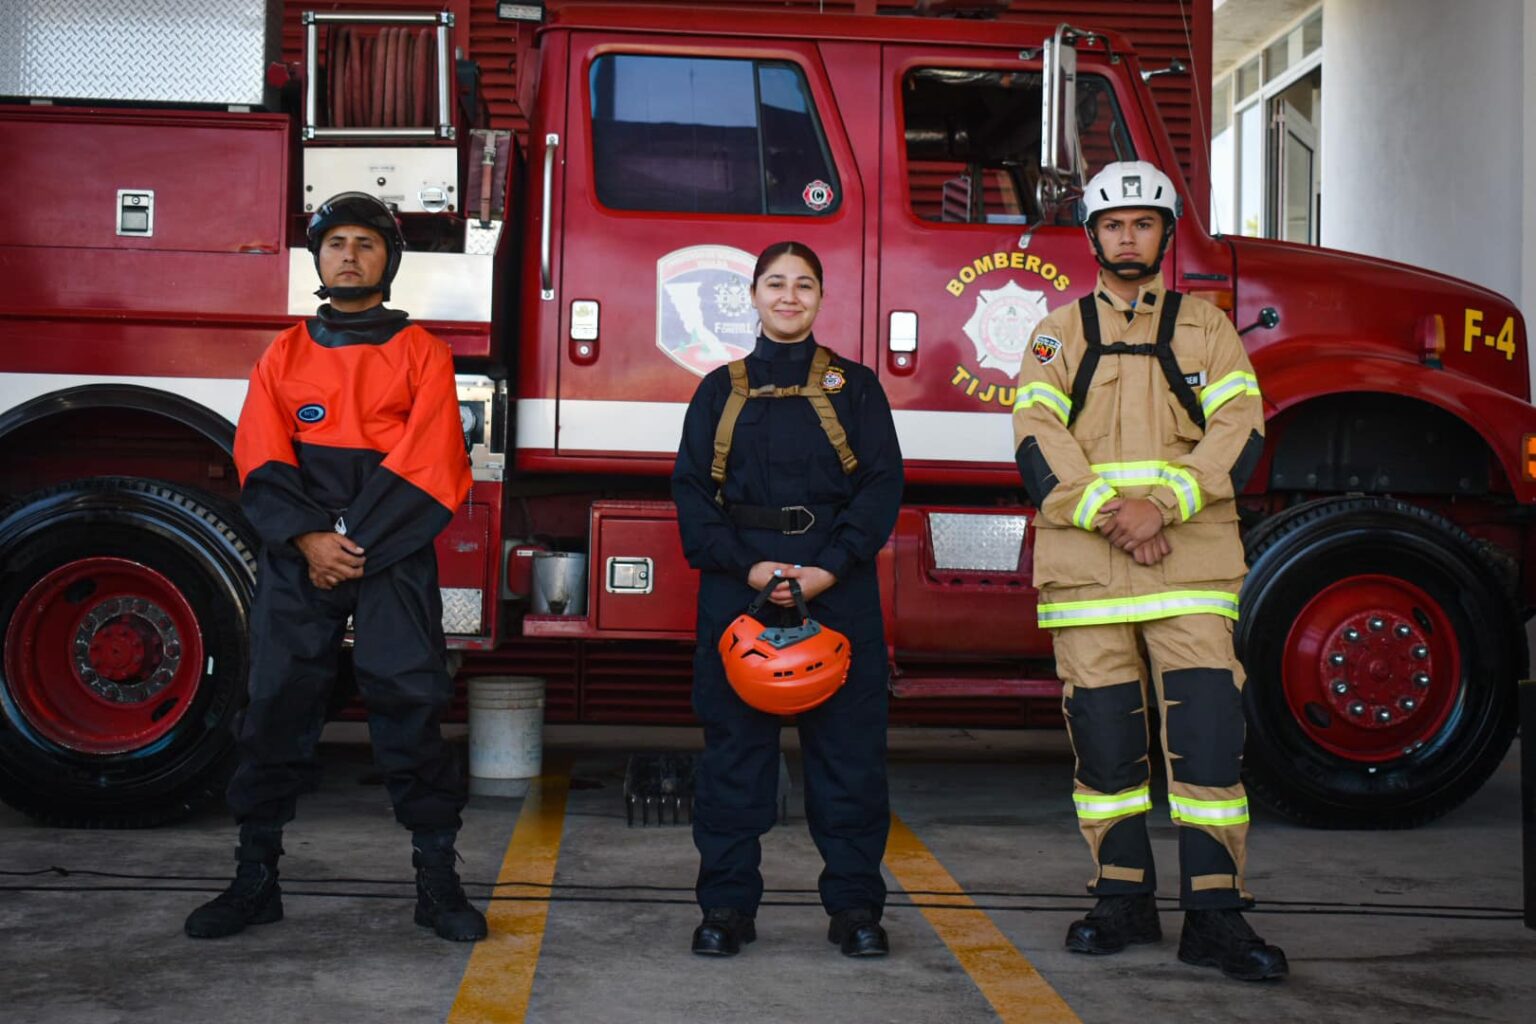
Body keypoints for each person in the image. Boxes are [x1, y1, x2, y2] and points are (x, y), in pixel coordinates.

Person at [1012, 161, 1286, 981]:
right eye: (1113, 224)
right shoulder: (1055, 335)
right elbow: (1035, 439)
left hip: (1189, 565)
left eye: (1143, 223)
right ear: (1091, 235)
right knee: (1106, 748)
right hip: (1090, 570)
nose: (1128, 236)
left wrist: (1160, 507)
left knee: (1207, 743)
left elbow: (1243, 429)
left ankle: (1215, 916)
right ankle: (1120, 899)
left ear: (1166, 234)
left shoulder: (1209, 330)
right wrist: (1109, 514)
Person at [184, 191, 484, 943]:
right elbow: (261, 459)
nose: (350, 253)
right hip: (304, 557)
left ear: (389, 261)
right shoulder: (282, 354)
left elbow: (436, 464)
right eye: (337, 242)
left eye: (367, 243)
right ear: (317, 258)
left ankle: (437, 881)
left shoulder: (423, 353)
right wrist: (311, 541)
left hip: (389, 558)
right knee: (276, 702)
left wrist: (345, 543)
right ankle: (255, 879)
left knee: (412, 702)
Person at [671, 241, 903, 958]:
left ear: (821, 297)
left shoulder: (855, 388)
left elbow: (882, 484)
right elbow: (691, 493)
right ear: (754, 295)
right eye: (776, 283)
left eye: (805, 284)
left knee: (849, 761)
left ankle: (856, 911)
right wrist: (751, 569)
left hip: (838, 590)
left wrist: (827, 570)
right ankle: (727, 910)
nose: (790, 295)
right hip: (741, 592)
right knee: (734, 761)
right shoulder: (720, 389)